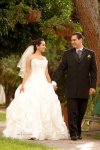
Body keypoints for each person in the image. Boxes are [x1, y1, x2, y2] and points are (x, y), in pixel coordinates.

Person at [3, 38, 69, 140]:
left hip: (43, 83)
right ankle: (31, 131)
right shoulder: (30, 57)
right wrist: (23, 84)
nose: (44, 46)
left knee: (45, 106)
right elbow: (28, 72)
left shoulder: (44, 59)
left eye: (44, 45)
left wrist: (50, 84)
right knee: (32, 106)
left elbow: (46, 73)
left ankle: (45, 131)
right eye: (43, 45)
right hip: (32, 82)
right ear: (37, 46)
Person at [52, 32, 97, 140]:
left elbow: (94, 71)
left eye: (74, 40)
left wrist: (92, 86)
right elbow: (61, 69)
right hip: (71, 87)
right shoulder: (67, 54)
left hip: (84, 88)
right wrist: (54, 81)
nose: (72, 42)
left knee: (81, 111)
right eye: (71, 40)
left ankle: (78, 131)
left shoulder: (90, 54)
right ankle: (73, 133)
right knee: (72, 111)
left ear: (80, 40)